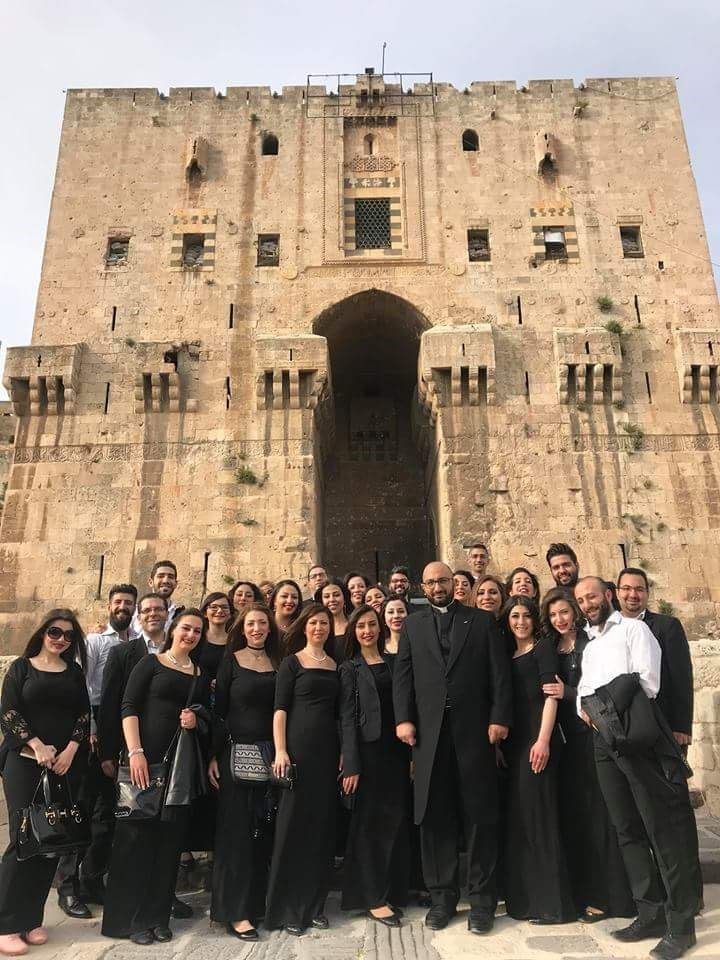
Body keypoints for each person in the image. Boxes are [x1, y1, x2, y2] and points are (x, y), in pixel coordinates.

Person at [575, 577, 702, 960]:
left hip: (635, 737)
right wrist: (590, 709)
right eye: (581, 599)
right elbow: (583, 690)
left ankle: (681, 927)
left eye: (592, 596)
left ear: (607, 595)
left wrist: (603, 704)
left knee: (662, 830)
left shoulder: (634, 629)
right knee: (627, 828)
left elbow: (647, 681)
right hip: (601, 739)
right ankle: (650, 913)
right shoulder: (591, 642)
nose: (587, 603)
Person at [393, 561, 512, 935]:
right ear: (422, 587)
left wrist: (499, 717)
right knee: (435, 817)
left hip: (474, 733)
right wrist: (404, 719)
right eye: (430, 582)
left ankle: (481, 902)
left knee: (479, 816)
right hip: (429, 738)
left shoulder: (480, 622)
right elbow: (403, 677)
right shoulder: (412, 625)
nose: (437, 586)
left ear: (454, 583)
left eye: (443, 580)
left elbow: (499, 674)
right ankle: (442, 898)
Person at [102, 610, 211, 945]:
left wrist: (196, 721)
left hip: (178, 770)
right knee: (135, 842)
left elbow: (207, 716)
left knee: (168, 844)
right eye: (186, 628)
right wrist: (135, 753)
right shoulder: (149, 664)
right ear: (173, 629)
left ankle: (156, 916)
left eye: (197, 631)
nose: (190, 635)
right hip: (144, 763)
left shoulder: (199, 674)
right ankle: (129, 919)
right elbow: (129, 707)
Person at [540, 588, 634, 922]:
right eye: (553, 615)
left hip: (590, 736)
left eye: (564, 612)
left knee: (602, 816)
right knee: (578, 817)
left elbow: (597, 686)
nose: (559, 619)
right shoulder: (552, 647)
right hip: (566, 743)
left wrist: (568, 692)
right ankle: (584, 892)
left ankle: (612, 897)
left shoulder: (590, 643)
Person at [0, 610, 90, 957]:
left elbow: (84, 715)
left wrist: (70, 751)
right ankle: (7, 922)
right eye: (55, 632)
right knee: (22, 839)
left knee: (51, 839)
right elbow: (8, 711)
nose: (61, 639)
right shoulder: (22, 668)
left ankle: (31, 918)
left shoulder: (74, 672)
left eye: (68, 636)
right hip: (24, 763)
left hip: (63, 766)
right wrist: (36, 744)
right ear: (42, 632)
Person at [57, 584, 138, 919]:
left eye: (128, 603)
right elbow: (84, 689)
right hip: (92, 736)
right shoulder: (92, 642)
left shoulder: (135, 645)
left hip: (119, 734)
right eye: (118, 602)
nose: (123, 607)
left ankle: (92, 878)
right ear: (108, 605)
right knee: (79, 810)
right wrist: (90, 731)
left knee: (107, 815)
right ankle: (67, 886)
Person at [265, 604, 340, 936]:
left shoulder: (336, 665)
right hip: (297, 752)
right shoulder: (291, 663)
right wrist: (281, 750)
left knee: (321, 831)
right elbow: (280, 711)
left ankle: (315, 905)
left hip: (327, 755)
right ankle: (287, 908)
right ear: (304, 627)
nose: (319, 628)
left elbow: (338, 716)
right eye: (314, 623)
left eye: (324, 623)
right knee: (292, 829)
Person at [500, 595, 575, 924]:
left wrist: (543, 740)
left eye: (526, 616)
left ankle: (552, 905)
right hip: (516, 744)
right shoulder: (509, 652)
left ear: (535, 619)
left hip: (537, 741)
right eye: (514, 616)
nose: (520, 622)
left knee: (541, 818)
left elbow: (550, 697)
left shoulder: (543, 648)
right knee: (522, 819)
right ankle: (526, 901)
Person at [209, 604, 280, 940]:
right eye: (251, 623)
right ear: (243, 627)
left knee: (263, 832)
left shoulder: (279, 662)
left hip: (271, 756)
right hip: (236, 756)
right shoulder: (231, 661)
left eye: (262, 623)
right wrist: (213, 755)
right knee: (235, 834)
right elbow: (219, 712)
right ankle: (235, 911)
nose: (256, 628)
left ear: (269, 628)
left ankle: (258, 905)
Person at [339, 605, 410, 925]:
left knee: (394, 821)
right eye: (361, 626)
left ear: (380, 628)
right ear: (354, 632)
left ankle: (393, 890)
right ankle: (370, 897)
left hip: (395, 751)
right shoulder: (350, 668)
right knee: (369, 826)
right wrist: (351, 763)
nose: (367, 630)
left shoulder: (394, 662)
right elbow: (347, 718)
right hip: (367, 754)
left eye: (372, 624)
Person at [616, 568, 694, 749]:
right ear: (617, 592)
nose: (633, 594)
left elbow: (681, 678)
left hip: (663, 725)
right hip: (623, 728)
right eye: (626, 588)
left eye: (639, 589)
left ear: (647, 593)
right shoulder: (607, 630)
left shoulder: (667, 627)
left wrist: (681, 727)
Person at [130, 562, 182, 636]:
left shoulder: (181, 615)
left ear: (176, 583)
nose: (165, 580)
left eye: (170, 577)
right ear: (151, 582)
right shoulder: (133, 613)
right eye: (161, 576)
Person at [198, 592, 232, 683]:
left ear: (230, 613)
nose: (220, 611)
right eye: (214, 607)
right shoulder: (197, 638)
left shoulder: (235, 642)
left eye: (224, 607)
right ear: (205, 613)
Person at [315, 578, 351, 663]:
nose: (332, 600)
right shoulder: (317, 628)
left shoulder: (355, 623)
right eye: (327, 596)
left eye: (336, 595)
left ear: (344, 597)